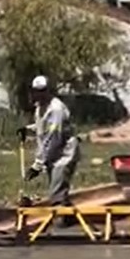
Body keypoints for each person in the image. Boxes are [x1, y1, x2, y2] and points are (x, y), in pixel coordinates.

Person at [24, 75, 80, 206]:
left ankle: (62, 220)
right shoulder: (40, 108)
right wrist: (28, 130)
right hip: (53, 155)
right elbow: (42, 127)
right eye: (36, 91)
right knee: (57, 190)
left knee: (57, 192)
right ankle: (68, 216)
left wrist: (37, 165)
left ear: (48, 91)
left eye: (42, 91)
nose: (39, 94)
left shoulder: (56, 109)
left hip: (64, 154)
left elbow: (52, 137)